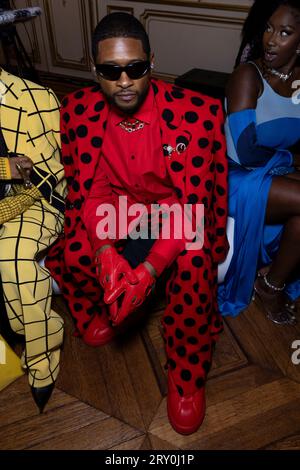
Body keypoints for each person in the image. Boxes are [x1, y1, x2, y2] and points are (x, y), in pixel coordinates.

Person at [45, 12, 228, 435]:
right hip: (121, 207)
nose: (124, 80)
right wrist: (106, 251)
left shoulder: (196, 114)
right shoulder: (77, 112)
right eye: (111, 70)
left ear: (152, 61)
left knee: (194, 267)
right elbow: (92, 190)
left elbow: (192, 205)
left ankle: (185, 374)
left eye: (135, 67)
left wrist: (148, 269)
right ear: (95, 70)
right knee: (74, 248)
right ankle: (98, 309)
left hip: (177, 209)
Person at [218, 0, 300, 324]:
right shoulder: (247, 76)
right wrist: (291, 162)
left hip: (269, 173)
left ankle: (271, 282)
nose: (271, 39)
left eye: (285, 32)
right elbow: (245, 150)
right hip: (236, 179)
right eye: (269, 28)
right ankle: (268, 285)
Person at [0, 67, 66, 411]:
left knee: (12, 256)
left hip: (32, 203)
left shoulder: (36, 98)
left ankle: (41, 349)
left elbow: (56, 174)